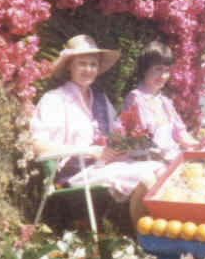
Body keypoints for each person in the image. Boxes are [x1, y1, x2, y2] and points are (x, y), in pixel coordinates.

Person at [30, 35, 163, 227]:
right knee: (147, 178)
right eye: (82, 64)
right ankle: (144, 241)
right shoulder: (55, 100)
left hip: (104, 168)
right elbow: (39, 147)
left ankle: (155, 237)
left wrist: (122, 146)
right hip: (75, 174)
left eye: (93, 64)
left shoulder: (100, 100)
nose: (88, 69)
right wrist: (89, 150)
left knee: (161, 171)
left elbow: (113, 137)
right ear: (69, 66)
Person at [121, 41, 198, 162]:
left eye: (167, 70)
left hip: (169, 159)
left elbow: (181, 134)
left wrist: (200, 146)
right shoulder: (135, 99)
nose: (163, 75)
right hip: (144, 163)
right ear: (144, 70)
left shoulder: (165, 102)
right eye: (158, 69)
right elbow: (134, 142)